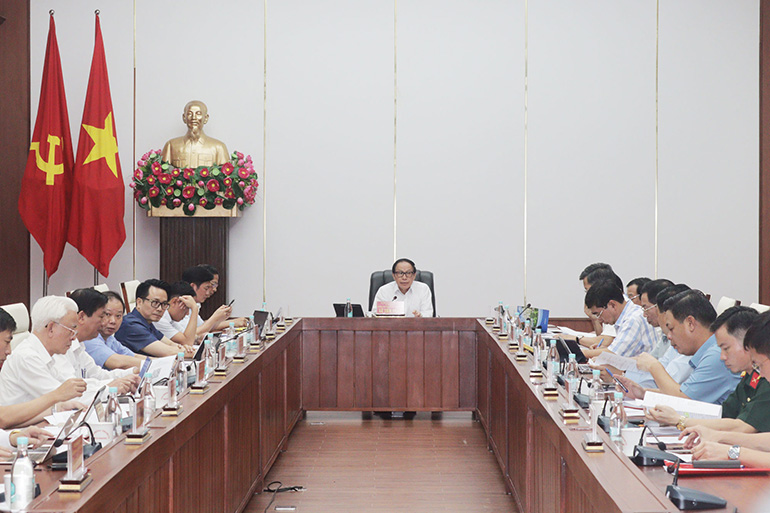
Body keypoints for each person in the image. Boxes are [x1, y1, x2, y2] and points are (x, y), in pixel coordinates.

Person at [648, 306, 770, 433]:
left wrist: (681, 420)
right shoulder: (749, 378)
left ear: (748, 343)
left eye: (726, 348)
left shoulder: (765, 378)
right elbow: (722, 415)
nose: (722, 357)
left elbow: (745, 427)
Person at [0, 295, 133, 406]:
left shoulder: (50, 353)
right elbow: (65, 399)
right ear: (51, 328)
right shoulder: (27, 357)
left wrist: (118, 382)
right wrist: (110, 389)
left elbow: (78, 386)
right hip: (20, 433)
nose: (74, 336)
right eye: (71, 330)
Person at [618, 289, 741, 404]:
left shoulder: (717, 355)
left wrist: (654, 366)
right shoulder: (707, 350)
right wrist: (643, 393)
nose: (669, 336)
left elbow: (684, 401)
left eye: (671, 329)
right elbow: (686, 392)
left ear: (690, 323)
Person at [0, 308, 85, 429]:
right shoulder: (26, 357)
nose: (9, 351)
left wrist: (56, 409)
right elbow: (3, 419)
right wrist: (56, 395)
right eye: (7, 342)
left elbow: (7, 420)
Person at [114, 279, 194, 357]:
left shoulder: (147, 322)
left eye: (164, 304)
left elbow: (170, 344)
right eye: (155, 302)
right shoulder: (131, 325)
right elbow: (168, 351)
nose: (160, 309)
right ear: (139, 302)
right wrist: (189, 352)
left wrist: (185, 348)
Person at [581, 279, 656, 358]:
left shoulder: (632, 319)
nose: (599, 319)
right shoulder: (629, 314)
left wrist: (582, 353)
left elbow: (614, 355)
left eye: (598, 314)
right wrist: (604, 349)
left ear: (612, 305)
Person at [82, 292, 146, 370]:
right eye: (107, 314)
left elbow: (133, 356)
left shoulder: (109, 338)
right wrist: (152, 365)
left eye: (118, 316)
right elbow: (118, 363)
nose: (113, 321)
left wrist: (161, 363)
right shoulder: (88, 339)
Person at [161, 100, 229, 168]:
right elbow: (163, 169)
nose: (193, 117)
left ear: (205, 118)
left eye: (198, 114)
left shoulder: (219, 147)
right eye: (189, 113)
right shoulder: (171, 145)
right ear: (184, 118)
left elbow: (225, 173)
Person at [181, 265, 241, 334]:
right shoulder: (181, 305)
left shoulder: (195, 304)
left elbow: (202, 326)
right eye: (206, 288)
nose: (212, 290)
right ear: (193, 286)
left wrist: (220, 318)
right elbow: (191, 334)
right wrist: (215, 317)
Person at [153, 281, 200, 346]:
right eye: (187, 307)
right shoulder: (159, 319)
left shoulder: (171, 319)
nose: (187, 313)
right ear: (174, 301)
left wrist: (198, 338)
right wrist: (194, 309)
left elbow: (188, 336)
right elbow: (188, 342)